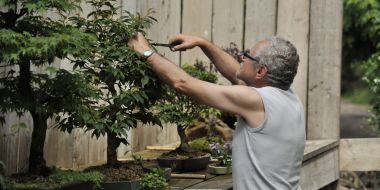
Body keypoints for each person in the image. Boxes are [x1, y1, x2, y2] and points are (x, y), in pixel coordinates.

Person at [128, 33, 306, 190]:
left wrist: (144, 50)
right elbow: (236, 73)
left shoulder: (256, 100)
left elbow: (183, 83)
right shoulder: (289, 98)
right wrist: (202, 43)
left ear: (260, 71)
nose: (241, 57)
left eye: (247, 56)